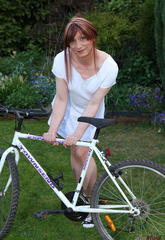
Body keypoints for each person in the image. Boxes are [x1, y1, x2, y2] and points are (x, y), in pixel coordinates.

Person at [43, 15, 118, 228]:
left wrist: (78, 132)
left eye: (83, 38)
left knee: (83, 152)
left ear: (93, 37)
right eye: (72, 41)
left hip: (90, 111)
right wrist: (54, 128)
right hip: (67, 109)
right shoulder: (62, 59)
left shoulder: (109, 66)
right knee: (74, 151)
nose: (78, 45)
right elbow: (61, 98)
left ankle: (90, 198)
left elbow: (94, 103)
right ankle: (82, 197)